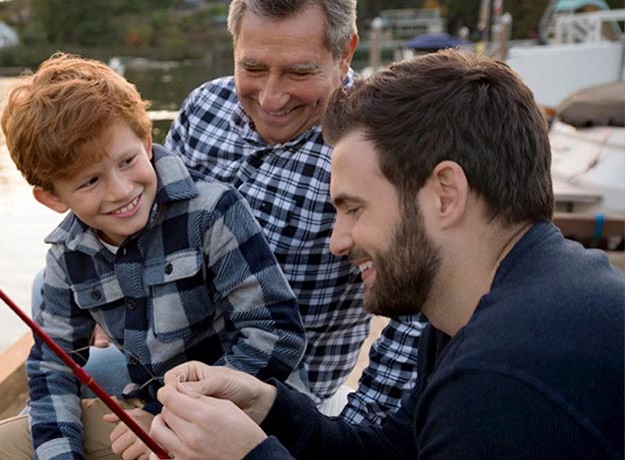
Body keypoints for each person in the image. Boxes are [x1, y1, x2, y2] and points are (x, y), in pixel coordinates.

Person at [148, 49, 625, 460]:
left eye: (354, 208)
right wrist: (270, 408)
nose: (338, 241)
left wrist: (248, 456)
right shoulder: (481, 313)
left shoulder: (501, 378)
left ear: (445, 194)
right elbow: (391, 452)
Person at [0, 53, 307, 460]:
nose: (119, 190)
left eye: (127, 161)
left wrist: (164, 417)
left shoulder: (213, 210)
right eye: (91, 181)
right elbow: (53, 367)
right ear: (52, 197)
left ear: (146, 141)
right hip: (149, 415)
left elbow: (276, 337)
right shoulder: (67, 255)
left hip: (241, 420)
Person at [162, 0, 427, 423]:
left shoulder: (381, 147)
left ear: (345, 53)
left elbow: (418, 316)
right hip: (171, 366)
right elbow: (153, 231)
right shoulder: (202, 108)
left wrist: (355, 431)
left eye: (298, 72)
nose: (271, 97)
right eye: (252, 68)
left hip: (285, 399)